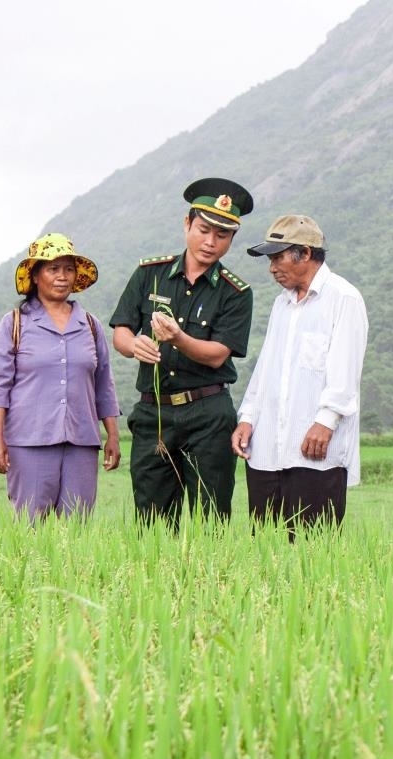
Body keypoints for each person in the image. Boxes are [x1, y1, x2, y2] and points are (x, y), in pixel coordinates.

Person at [109, 178, 255, 526]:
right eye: (204, 229)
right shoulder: (149, 274)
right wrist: (133, 345)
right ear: (187, 224)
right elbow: (121, 332)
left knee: (211, 518)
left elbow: (218, 353)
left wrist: (177, 338)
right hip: (154, 413)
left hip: (208, 413)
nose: (210, 242)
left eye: (222, 236)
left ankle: (210, 580)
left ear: (232, 239)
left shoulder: (236, 292)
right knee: (153, 522)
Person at [231, 215, 368, 539]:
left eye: (278, 257)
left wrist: (326, 421)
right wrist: (248, 417)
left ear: (305, 253)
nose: (272, 267)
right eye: (270, 259)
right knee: (265, 544)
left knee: (311, 547)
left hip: (315, 450)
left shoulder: (343, 298)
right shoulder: (282, 305)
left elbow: (346, 371)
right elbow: (266, 368)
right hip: (267, 449)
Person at [0, 233, 121, 521]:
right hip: (28, 440)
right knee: (30, 527)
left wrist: (113, 436)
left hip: (82, 441)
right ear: (35, 276)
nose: (62, 277)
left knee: (77, 527)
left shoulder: (90, 325)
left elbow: (103, 384)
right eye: (53, 269)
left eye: (68, 269)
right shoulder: (14, 323)